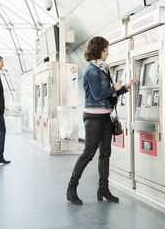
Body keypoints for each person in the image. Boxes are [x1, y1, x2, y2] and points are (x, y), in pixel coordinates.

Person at [66, 36, 137, 205]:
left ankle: (103, 189)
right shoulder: (92, 70)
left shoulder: (103, 69)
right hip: (93, 118)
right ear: (98, 50)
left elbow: (109, 94)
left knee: (105, 154)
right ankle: (71, 188)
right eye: (105, 49)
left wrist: (124, 88)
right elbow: (98, 94)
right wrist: (114, 88)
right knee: (88, 153)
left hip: (105, 116)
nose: (108, 52)